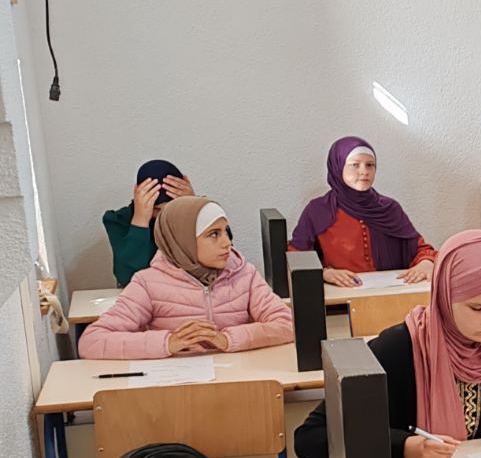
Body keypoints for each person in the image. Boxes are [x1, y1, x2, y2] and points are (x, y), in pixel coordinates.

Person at [294, 230, 481, 458]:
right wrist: (403, 448)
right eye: (478, 308)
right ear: (445, 296)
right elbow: (311, 436)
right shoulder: (400, 347)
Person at [80, 197, 291, 359]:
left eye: (226, 231)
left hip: (237, 381)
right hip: (175, 389)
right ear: (184, 240)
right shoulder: (147, 283)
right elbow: (92, 341)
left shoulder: (244, 273)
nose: (227, 243)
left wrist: (228, 339)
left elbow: (287, 324)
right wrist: (168, 343)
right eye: (214, 234)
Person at [290, 136, 436, 287]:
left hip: (391, 293)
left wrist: (426, 262)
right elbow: (297, 258)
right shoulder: (318, 210)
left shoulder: (389, 208)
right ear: (338, 166)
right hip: (340, 295)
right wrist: (324, 273)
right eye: (355, 165)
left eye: (370, 165)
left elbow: (420, 249)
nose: (364, 171)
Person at [102, 159, 194, 287]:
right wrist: (140, 221)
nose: (164, 215)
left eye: (171, 207)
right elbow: (127, 278)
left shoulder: (196, 213)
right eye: (157, 209)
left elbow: (212, 266)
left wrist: (193, 210)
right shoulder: (118, 220)